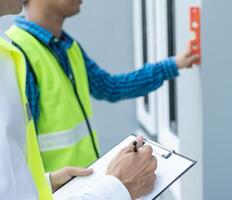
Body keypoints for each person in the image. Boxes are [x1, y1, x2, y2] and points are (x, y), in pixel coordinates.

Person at [5, 0, 199, 181]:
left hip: (83, 186)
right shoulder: (17, 54)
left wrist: (173, 64)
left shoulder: (67, 46)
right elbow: (17, 156)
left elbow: (110, 87)